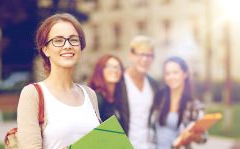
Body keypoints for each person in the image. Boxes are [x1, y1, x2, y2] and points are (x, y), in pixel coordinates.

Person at [16, 13, 100, 149]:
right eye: (58, 40)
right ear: (46, 50)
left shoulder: (90, 94)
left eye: (73, 40)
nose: (67, 46)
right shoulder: (33, 94)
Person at [149, 56, 206, 149]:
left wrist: (193, 136)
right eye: (167, 73)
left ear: (185, 74)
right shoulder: (159, 98)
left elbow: (204, 138)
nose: (171, 77)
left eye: (175, 72)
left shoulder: (194, 105)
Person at [120, 35, 160, 148]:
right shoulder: (119, 82)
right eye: (141, 54)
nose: (145, 60)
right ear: (131, 55)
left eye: (149, 56)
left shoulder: (154, 84)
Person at [89, 54, 125, 123]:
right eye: (109, 66)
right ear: (100, 70)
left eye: (117, 67)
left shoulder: (120, 98)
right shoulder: (96, 98)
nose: (114, 70)